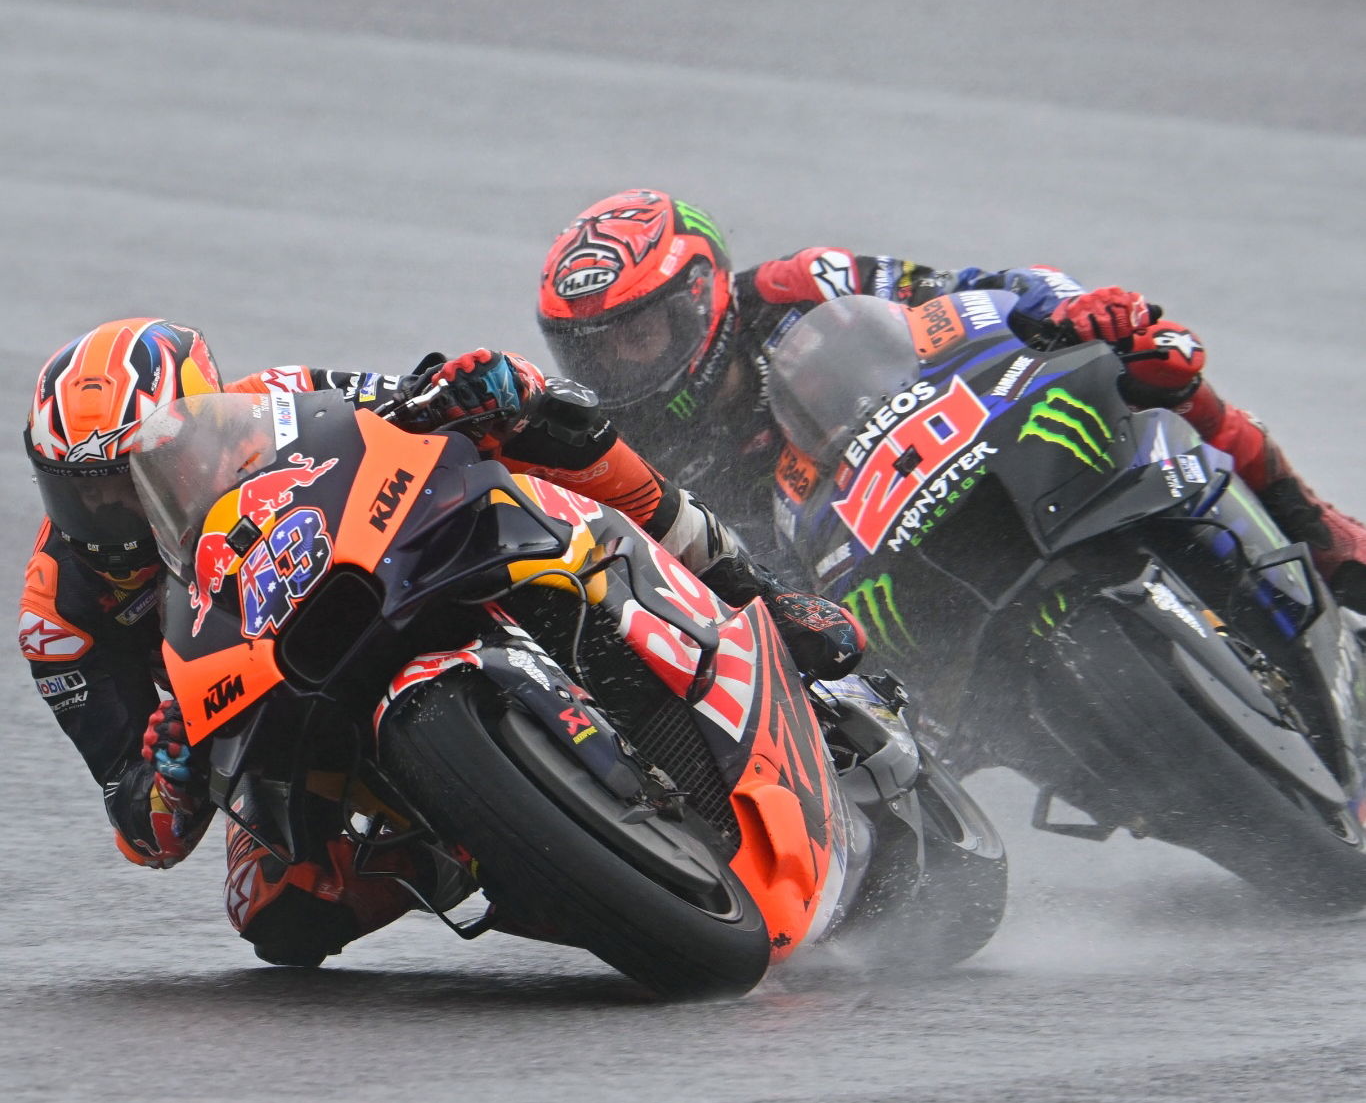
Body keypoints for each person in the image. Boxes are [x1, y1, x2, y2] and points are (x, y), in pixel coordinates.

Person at [20, 318, 863, 967]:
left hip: (377, 578)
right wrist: (167, 774)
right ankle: (490, 847)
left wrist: (473, 388)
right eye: (84, 497)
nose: (112, 517)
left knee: (543, 422)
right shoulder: (59, 615)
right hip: (260, 694)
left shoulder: (273, 403)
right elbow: (142, 831)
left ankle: (754, 594)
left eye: (131, 484)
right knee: (278, 914)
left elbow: (421, 402)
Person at [536, 189, 1366, 609]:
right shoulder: (620, 447)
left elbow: (975, 295)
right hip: (844, 590)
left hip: (935, 459)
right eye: (596, 351)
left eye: (636, 335)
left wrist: (1070, 310)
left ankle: (1316, 529)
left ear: (698, 296)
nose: (621, 367)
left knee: (1151, 365)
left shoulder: (799, 287)